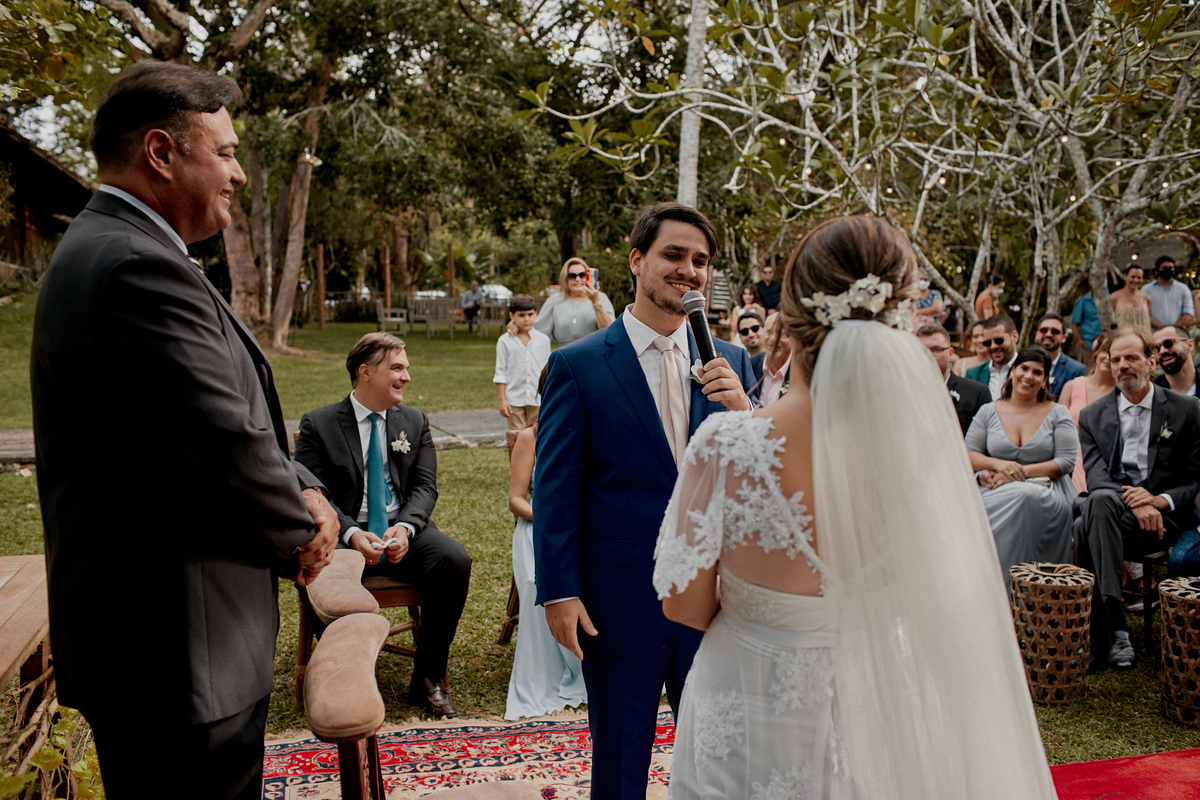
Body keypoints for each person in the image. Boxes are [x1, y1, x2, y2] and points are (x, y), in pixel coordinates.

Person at [653, 215, 1056, 799]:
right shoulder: (926, 453)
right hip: (877, 701)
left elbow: (684, 605)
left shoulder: (727, 445)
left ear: (788, 322)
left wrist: (761, 607)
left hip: (744, 699)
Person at [30, 61, 338, 800]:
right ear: (162, 153)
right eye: (225, 153)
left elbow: (216, 411)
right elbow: (223, 439)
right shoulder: (135, 264)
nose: (236, 175)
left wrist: (307, 484)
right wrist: (303, 533)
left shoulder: (125, 246)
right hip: (175, 648)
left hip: (169, 645)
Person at [534, 202, 755, 800]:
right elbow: (556, 488)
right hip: (619, 594)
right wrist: (559, 589)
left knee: (714, 751)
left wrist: (746, 411)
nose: (689, 271)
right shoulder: (576, 366)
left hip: (715, 596)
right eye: (674, 256)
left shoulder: (731, 361)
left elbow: (757, 475)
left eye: (701, 261)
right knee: (622, 754)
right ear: (636, 260)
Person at [295, 333, 473, 717]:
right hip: (344, 538)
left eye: (406, 367)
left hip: (400, 531)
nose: (407, 376)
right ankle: (340, 678)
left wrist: (406, 528)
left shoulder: (415, 421)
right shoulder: (318, 424)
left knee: (454, 560)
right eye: (397, 367)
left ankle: (427, 678)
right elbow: (315, 496)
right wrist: (352, 534)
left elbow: (425, 487)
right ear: (365, 373)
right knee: (321, 572)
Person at [1075, 329, 1200, 669]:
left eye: (1131, 358)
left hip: (1162, 521)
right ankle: (1116, 627)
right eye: (1116, 359)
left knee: (1082, 520)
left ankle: (1094, 634)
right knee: (1097, 504)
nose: (1122, 366)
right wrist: (1137, 500)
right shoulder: (1092, 416)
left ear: (1151, 361)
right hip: (1116, 510)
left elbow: (1194, 478)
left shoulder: (1186, 409)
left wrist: (1160, 500)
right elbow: (1098, 477)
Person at [966, 346, 1078, 579]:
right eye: (1024, 368)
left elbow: (1066, 462)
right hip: (996, 486)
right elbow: (968, 453)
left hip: (1047, 490)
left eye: (1037, 373)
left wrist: (1019, 472)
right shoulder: (988, 411)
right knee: (968, 509)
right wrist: (995, 466)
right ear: (1012, 371)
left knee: (1024, 496)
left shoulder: (1058, 413)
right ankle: (983, 580)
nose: (1028, 376)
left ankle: (1022, 587)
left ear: (1045, 380)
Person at [504, 408, 587, 720]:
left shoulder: (591, 427)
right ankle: (550, 668)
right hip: (538, 525)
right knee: (538, 578)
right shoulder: (531, 437)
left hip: (587, 526)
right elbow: (516, 498)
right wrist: (550, 521)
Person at [1060, 331, 1118, 493]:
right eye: (1105, 351)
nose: (1108, 358)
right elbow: (1058, 430)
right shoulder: (1072, 386)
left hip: (1105, 457)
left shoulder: (1123, 394)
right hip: (1070, 452)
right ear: (1096, 353)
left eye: (1115, 354)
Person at [918, 323, 989, 434]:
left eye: (937, 349)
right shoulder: (904, 393)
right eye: (923, 350)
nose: (929, 355)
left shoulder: (977, 393)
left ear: (951, 354)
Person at [495, 294, 551, 431]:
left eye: (530, 314)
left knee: (537, 438)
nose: (526, 319)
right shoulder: (504, 341)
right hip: (514, 399)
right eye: (521, 315)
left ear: (536, 314)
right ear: (511, 316)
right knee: (515, 437)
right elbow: (500, 372)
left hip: (537, 399)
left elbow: (547, 371)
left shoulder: (543, 340)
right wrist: (502, 400)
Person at [531, 257, 615, 345]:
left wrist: (595, 301)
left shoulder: (600, 297)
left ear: (587, 276)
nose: (578, 279)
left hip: (594, 353)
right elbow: (537, 330)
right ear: (565, 279)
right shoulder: (555, 300)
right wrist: (515, 325)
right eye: (572, 276)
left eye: (582, 275)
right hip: (565, 355)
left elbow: (608, 330)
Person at [964, 313, 1019, 400]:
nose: (993, 346)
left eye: (999, 340)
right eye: (988, 343)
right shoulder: (973, 374)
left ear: (1014, 336)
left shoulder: (1027, 371)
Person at [1035, 312, 1087, 401]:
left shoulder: (1077, 371)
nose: (1048, 334)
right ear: (1037, 334)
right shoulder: (1022, 365)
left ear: (1064, 338)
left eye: (1055, 331)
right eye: (1044, 330)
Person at [1144, 256, 1196, 331]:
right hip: (1154, 336)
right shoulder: (1146, 290)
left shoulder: (1183, 289)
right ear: (1157, 270)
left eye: (1171, 268)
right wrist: (1164, 330)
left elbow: (1188, 313)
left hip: (1179, 336)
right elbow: (1145, 315)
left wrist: (1174, 330)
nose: (1168, 270)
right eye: (1164, 268)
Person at [758, 311, 793, 405]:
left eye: (781, 334)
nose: (774, 338)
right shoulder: (750, 365)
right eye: (769, 332)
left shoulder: (800, 371)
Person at [1154, 325, 1197, 396]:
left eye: (1168, 343)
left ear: (1189, 345)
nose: (1162, 351)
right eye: (1156, 348)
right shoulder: (1153, 393)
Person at [1111, 263, 1154, 334]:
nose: (1136, 280)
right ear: (1125, 276)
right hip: (1122, 341)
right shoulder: (1114, 297)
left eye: (1139, 277)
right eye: (1133, 277)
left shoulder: (1146, 298)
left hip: (1144, 341)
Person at [1071, 278, 1103, 366]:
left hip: (1105, 343)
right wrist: (1080, 340)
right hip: (1088, 343)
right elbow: (1074, 323)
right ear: (1090, 282)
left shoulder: (1110, 300)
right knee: (1089, 369)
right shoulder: (1083, 301)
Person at [732, 284, 766, 349]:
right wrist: (744, 311)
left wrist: (759, 311)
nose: (747, 297)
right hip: (741, 339)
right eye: (745, 294)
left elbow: (762, 327)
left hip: (755, 338)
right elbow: (735, 329)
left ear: (754, 296)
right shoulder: (737, 309)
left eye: (750, 294)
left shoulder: (760, 309)